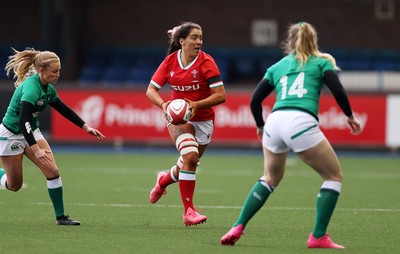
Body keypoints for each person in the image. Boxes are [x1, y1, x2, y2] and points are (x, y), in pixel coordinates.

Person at [220, 22, 362, 248]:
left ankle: (238, 225)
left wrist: (260, 125)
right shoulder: (322, 62)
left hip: (275, 122)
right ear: (313, 41)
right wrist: (350, 116)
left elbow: (255, 100)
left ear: (289, 42)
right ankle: (318, 236)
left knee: (269, 178)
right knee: (333, 177)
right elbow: (337, 89)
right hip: (300, 121)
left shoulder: (278, 66)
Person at [0, 48, 105, 225]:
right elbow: (22, 119)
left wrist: (85, 127)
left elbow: (63, 108)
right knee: (14, 186)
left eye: (59, 71)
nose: (57, 75)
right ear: (42, 70)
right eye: (54, 71)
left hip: (31, 131)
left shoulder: (48, 89)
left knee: (52, 171)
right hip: (12, 134)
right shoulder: (31, 89)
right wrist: (35, 149)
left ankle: (61, 217)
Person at [146, 22, 226, 226]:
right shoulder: (170, 62)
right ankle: (189, 212)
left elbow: (220, 95)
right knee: (190, 157)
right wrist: (164, 105)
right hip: (179, 119)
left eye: (200, 37)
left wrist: (196, 104)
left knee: (188, 163)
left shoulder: (207, 62)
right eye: (194, 37)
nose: (199, 41)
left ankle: (163, 180)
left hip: (204, 120)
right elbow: (151, 90)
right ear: (182, 41)